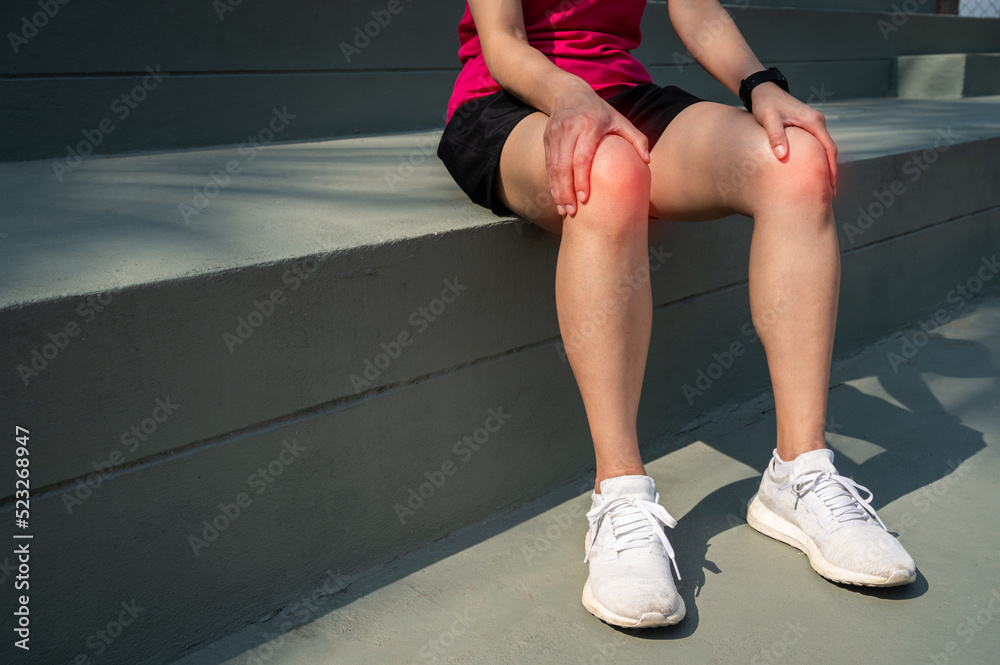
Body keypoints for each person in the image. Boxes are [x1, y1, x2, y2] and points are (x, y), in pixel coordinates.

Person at [436, 0, 917, 629]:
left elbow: (697, 11)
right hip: (512, 99)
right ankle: (621, 497)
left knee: (794, 161)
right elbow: (501, 41)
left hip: (624, 93)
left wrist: (761, 85)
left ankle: (799, 473)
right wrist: (570, 98)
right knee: (606, 171)